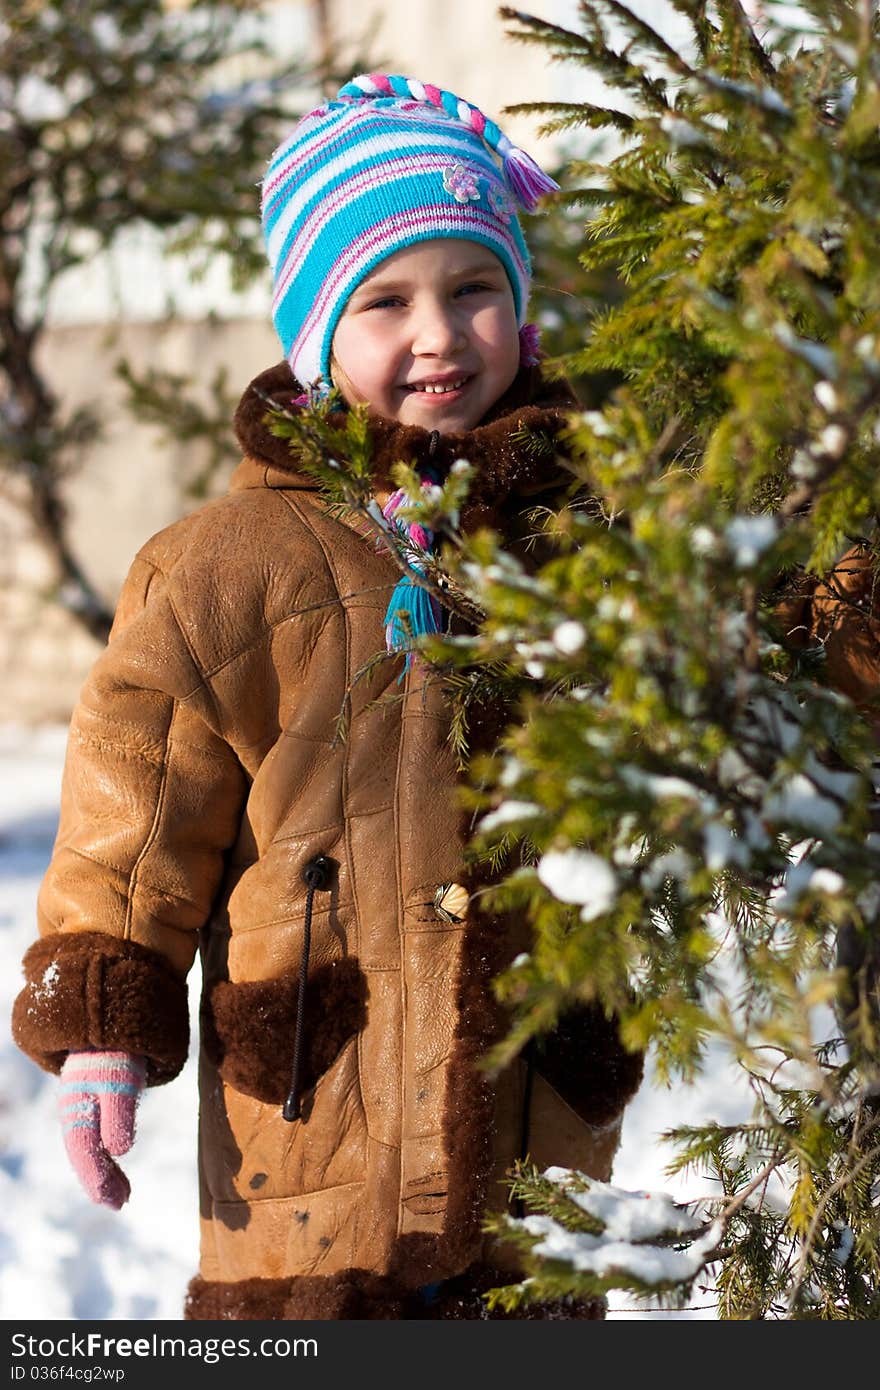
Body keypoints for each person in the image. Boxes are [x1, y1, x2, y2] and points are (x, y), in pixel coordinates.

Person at [11, 72, 644, 1321]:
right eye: (384, 300)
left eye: (476, 290)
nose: (438, 334)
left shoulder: (588, 535)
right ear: (311, 334)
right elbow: (134, 817)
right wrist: (102, 1021)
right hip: (311, 1137)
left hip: (541, 1139)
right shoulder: (229, 569)